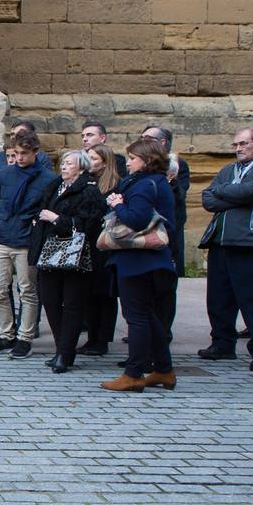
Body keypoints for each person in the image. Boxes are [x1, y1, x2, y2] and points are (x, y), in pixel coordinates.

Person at [196, 126, 253, 371]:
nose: (238, 149)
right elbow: (207, 199)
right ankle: (223, 343)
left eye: (243, 144)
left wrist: (224, 192)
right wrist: (234, 195)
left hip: (252, 242)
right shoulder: (229, 170)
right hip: (221, 242)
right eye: (236, 145)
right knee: (219, 299)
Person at [100, 138, 179, 392]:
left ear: (146, 160)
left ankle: (134, 373)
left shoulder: (145, 185)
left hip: (139, 260)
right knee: (148, 315)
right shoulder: (155, 182)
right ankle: (163, 370)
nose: (129, 162)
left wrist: (117, 204)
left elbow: (136, 219)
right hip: (149, 260)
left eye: (133, 158)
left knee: (136, 317)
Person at [30, 150, 106, 373]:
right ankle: (61, 349)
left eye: (69, 164)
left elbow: (89, 223)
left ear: (81, 168)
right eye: (63, 163)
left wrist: (57, 219)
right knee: (50, 301)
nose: (63, 167)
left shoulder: (89, 190)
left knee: (72, 305)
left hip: (76, 255)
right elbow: (40, 210)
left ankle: (65, 353)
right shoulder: (54, 187)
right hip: (49, 250)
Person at [0, 130, 53, 358]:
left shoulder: (47, 179)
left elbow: (49, 209)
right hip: (3, 237)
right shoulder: (4, 174)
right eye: (16, 153)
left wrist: (34, 228)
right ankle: (6, 334)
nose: (20, 157)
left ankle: (25, 337)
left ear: (35, 152)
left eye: (24, 153)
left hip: (26, 241)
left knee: (28, 290)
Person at [80, 144, 122, 356]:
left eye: (94, 159)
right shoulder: (86, 182)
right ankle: (91, 336)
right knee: (88, 293)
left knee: (105, 294)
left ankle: (102, 339)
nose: (89, 162)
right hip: (87, 243)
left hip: (105, 246)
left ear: (105, 162)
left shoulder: (114, 186)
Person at [143, 125, 191, 277]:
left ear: (162, 142)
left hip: (168, 220)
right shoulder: (140, 162)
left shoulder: (178, 164)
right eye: (142, 138)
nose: (143, 142)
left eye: (148, 139)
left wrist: (171, 179)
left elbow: (180, 194)